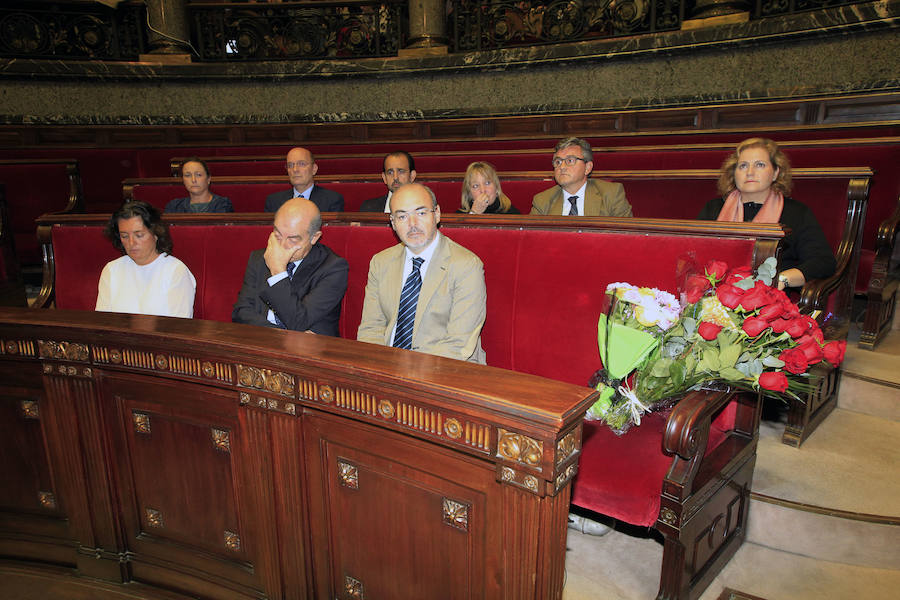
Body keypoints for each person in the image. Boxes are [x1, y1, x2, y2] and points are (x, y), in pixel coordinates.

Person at [357, 183, 487, 363]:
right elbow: (370, 329)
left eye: (421, 213)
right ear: (393, 223)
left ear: (437, 214)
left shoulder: (466, 265)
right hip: (386, 366)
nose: (413, 224)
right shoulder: (381, 262)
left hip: (448, 370)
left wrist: (406, 372)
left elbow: (458, 344)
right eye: (402, 216)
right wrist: (382, 367)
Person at [698, 137, 836, 289]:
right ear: (734, 173)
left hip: (771, 299)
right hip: (715, 297)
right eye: (743, 166)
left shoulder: (796, 212)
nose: (750, 172)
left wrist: (782, 279)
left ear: (776, 172)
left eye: (760, 165)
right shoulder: (713, 209)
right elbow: (695, 256)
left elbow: (823, 262)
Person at [232, 197, 348, 335]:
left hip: (309, 352)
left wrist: (278, 272)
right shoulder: (259, 258)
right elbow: (241, 312)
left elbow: (298, 321)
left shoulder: (333, 268)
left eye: (292, 239)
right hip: (260, 341)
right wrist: (279, 335)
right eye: (278, 235)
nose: (282, 246)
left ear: (314, 237)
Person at [96, 201, 196, 318]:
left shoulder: (176, 271)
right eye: (124, 236)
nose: (131, 243)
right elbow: (102, 323)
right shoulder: (112, 270)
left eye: (139, 235)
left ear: (155, 233)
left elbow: (179, 327)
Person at [531, 137, 632, 217]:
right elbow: (534, 239)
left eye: (570, 161)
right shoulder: (542, 201)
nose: (562, 167)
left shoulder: (611, 194)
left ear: (587, 168)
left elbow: (626, 236)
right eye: (558, 162)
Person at [265, 147, 344, 213]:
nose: (295, 169)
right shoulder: (273, 201)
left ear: (314, 169)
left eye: (301, 164)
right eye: (290, 165)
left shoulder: (332, 200)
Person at [164, 157, 233, 213]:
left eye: (198, 175)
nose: (193, 180)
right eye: (188, 175)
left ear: (208, 179)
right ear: (183, 180)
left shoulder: (222, 204)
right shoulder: (174, 207)